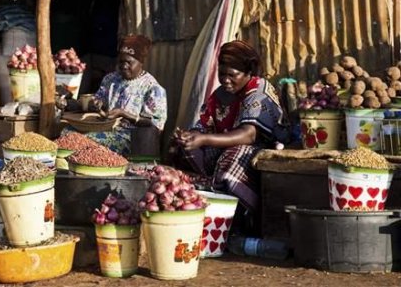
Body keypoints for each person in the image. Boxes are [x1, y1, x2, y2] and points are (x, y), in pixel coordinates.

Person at [170, 40, 289, 233]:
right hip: (224, 146)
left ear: (248, 73)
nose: (225, 80)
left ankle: (238, 221)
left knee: (234, 156)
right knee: (179, 148)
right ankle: (202, 201)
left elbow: (249, 135)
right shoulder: (220, 95)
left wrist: (204, 139)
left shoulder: (258, 90)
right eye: (222, 74)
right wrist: (189, 135)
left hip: (262, 148)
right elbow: (203, 126)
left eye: (232, 75)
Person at [68, 34, 168, 155]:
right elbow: (98, 100)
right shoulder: (111, 79)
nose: (124, 66)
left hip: (131, 138)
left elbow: (155, 125)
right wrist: (96, 104)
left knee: (88, 141)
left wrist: (124, 114)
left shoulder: (153, 89)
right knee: (67, 133)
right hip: (105, 128)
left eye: (129, 62)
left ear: (141, 62)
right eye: (121, 61)